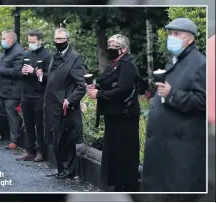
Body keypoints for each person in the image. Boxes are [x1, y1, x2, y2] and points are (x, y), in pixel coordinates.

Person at [141, 18, 206, 192]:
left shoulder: (200, 64)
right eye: (170, 33)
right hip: (166, 147)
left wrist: (172, 94)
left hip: (181, 150)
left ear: (190, 39)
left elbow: (204, 102)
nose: (172, 37)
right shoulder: (175, 59)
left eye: (177, 33)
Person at [87, 34, 140, 191]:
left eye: (114, 46)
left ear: (124, 48)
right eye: (109, 45)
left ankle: (124, 186)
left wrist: (100, 94)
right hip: (114, 116)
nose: (110, 48)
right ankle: (117, 184)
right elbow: (109, 85)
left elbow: (123, 90)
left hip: (124, 116)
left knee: (124, 152)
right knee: (114, 152)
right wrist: (95, 89)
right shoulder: (114, 64)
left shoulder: (128, 65)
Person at [43, 28, 86, 179]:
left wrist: (70, 99)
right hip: (52, 105)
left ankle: (68, 170)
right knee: (56, 139)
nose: (58, 42)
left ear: (67, 40)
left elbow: (81, 85)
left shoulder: (74, 58)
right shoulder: (56, 56)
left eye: (61, 39)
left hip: (65, 106)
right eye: (56, 39)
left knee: (66, 139)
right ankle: (61, 168)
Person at [15, 29, 52, 162]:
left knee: (39, 124)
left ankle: (40, 151)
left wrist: (35, 72)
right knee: (28, 124)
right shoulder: (27, 55)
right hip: (26, 94)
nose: (31, 44)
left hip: (40, 95)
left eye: (33, 42)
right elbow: (19, 72)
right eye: (29, 41)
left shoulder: (47, 56)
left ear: (40, 41)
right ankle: (29, 150)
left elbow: (50, 76)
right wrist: (23, 72)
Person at [0, 30, 25, 149]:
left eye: (3, 38)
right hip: (3, 88)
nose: (2, 40)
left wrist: (0, 70)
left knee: (11, 113)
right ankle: (16, 121)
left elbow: (17, 71)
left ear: (10, 39)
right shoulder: (8, 50)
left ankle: (15, 140)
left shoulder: (18, 52)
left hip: (12, 90)